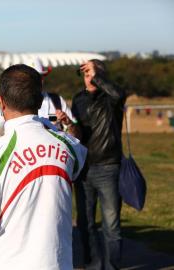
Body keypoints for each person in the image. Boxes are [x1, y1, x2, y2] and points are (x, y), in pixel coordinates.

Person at [0, 64, 87, 270]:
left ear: (1, 102)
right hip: (57, 261)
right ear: (40, 101)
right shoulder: (69, 146)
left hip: (6, 262)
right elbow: (78, 160)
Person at [72, 60, 126, 270]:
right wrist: (68, 123)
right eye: (85, 74)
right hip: (84, 168)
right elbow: (78, 132)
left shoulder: (111, 98)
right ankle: (93, 264)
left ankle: (112, 266)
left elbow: (119, 94)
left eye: (92, 74)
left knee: (111, 225)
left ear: (101, 76)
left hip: (108, 167)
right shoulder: (78, 99)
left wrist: (97, 75)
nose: (88, 78)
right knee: (85, 223)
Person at [0, 59, 80, 138]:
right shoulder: (12, 101)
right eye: (34, 77)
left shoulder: (57, 101)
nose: (38, 80)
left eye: (41, 76)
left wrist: (69, 124)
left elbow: (77, 137)